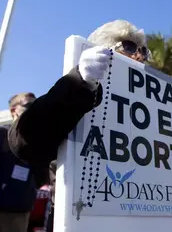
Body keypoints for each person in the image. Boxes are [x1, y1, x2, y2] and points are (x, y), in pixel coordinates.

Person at [8, 20, 149, 169]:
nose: (138, 57)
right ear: (101, 50)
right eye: (129, 47)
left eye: (143, 51)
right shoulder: (72, 95)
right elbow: (27, 142)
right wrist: (80, 81)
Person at [0, 93, 44, 232]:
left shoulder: (38, 142)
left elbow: (41, 176)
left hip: (21, 211)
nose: (34, 110)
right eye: (29, 105)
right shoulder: (1, 134)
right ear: (14, 110)